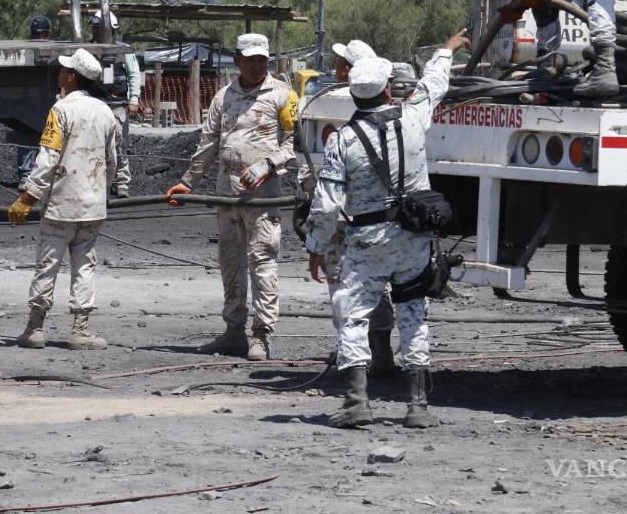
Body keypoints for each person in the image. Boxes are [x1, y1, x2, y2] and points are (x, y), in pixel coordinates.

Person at [305, 28, 469, 429]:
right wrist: (446, 49)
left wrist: (315, 246)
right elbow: (433, 84)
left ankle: (357, 401)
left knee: (353, 313)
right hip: (413, 238)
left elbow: (327, 204)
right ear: (386, 91)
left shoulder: (341, 141)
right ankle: (417, 407)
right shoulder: (413, 117)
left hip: (367, 243)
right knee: (413, 313)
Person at [165, 33, 299, 361]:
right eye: (250, 59)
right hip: (227, 197)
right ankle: (234, 331)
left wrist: (268, 165)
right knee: (230, 263)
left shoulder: (283, 95)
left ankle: (261, 335)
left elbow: (296, 144)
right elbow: (209, 142)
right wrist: (188, 182)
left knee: (262, 262)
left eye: (262, 60)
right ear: (237, 60)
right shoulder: (223, 97)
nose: (256, 65)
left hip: (262, 199)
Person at [296, 38, 397, 377]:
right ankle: (379, 354)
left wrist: (316, 243)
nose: (337, 69)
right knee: (375, 287)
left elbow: (327, 194)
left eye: (344, 64)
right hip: (380, 223)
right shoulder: (396, 120)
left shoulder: (338, 116)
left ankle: (356, 365)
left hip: (344, 222)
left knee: (345, 290)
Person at [11, 47, 117, 350]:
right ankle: (80, 330)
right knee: (84, 264)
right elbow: (111, 160)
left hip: (61, 204)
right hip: (93, 204)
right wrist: (102, 194)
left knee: (48, 263)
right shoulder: (106, 112)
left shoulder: (60, 110)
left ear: (71, 77)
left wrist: (29, 196)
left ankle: (35, 328)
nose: (59, 74)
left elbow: (48, 157)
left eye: (63, 70)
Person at [88, 11, 141, 197]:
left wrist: (134, 99)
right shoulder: (87, 49)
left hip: (118, 104)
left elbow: (134, 73)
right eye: (93, 28)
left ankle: (122, 183)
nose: (95, 32)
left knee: (120, 144)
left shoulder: (123, 49)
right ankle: (99, 182)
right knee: (95, 145)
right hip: (95, 104)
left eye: (98, 28)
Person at [16, 15, 53, 187]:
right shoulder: (24, 51)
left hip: (48, 100)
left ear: (48, 35)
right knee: (25, 136)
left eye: (42, 35)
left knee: (47, 139)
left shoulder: (54, 51)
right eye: (36, 35)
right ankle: (24, 175)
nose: (39, 38)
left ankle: (40, 174)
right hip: (27, 99)